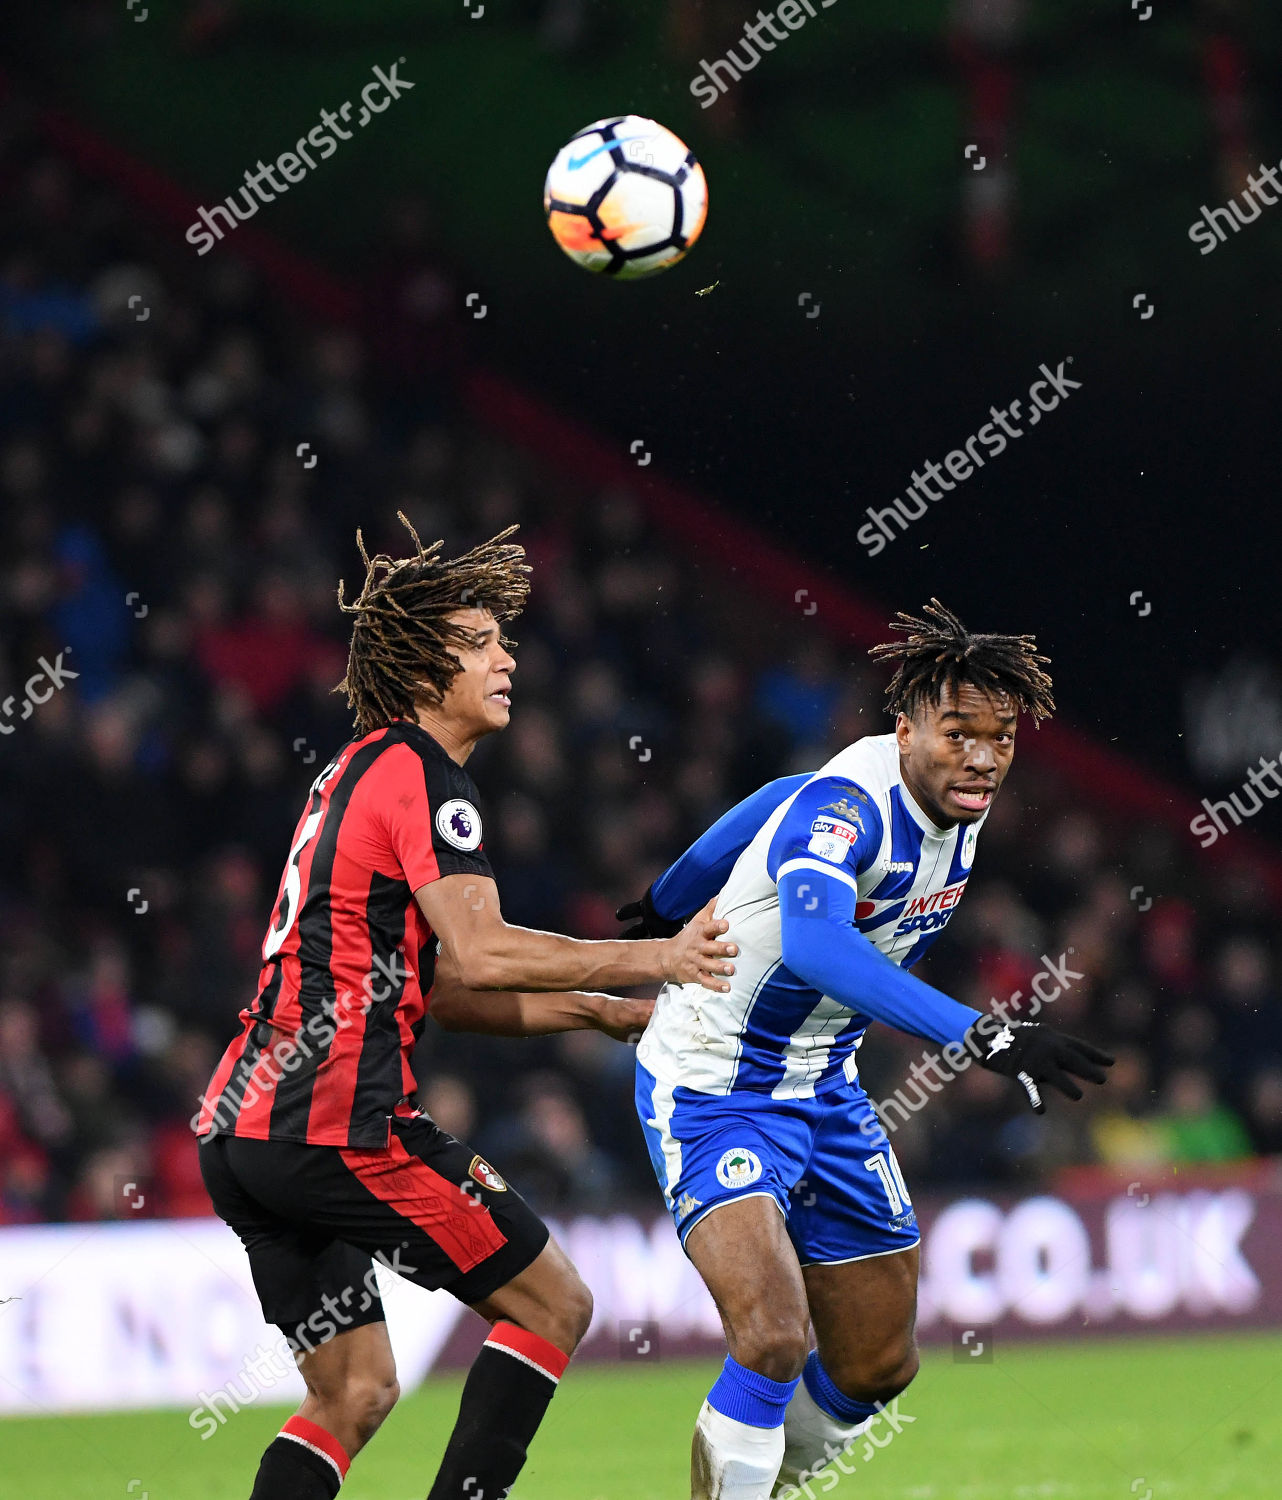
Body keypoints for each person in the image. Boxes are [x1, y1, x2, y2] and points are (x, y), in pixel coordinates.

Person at [194, 515, 736, 1500]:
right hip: (336, 1125)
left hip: (245, 1128)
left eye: (504, 640)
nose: (507, 659)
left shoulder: (353, 773)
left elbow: (443, 987)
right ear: (421, 667)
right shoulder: (418, 774)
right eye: (479, 643)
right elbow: (483, 949)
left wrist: (600, 1011)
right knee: (553, 1304)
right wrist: (659, 953)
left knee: (351, 1393)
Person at [617, 599, 1113, 1499]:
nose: (983, 756)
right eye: (958, 733)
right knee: (772, 1336)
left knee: (880, 1362)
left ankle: (758, 1487)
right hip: (713, 1084)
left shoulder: (956, 799)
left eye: (1001, 737)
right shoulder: (853, 807)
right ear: (906, 728)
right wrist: (981, 1035)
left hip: (826, 1089)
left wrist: (673, 889)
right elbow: (813, 945)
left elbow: (775, 797)